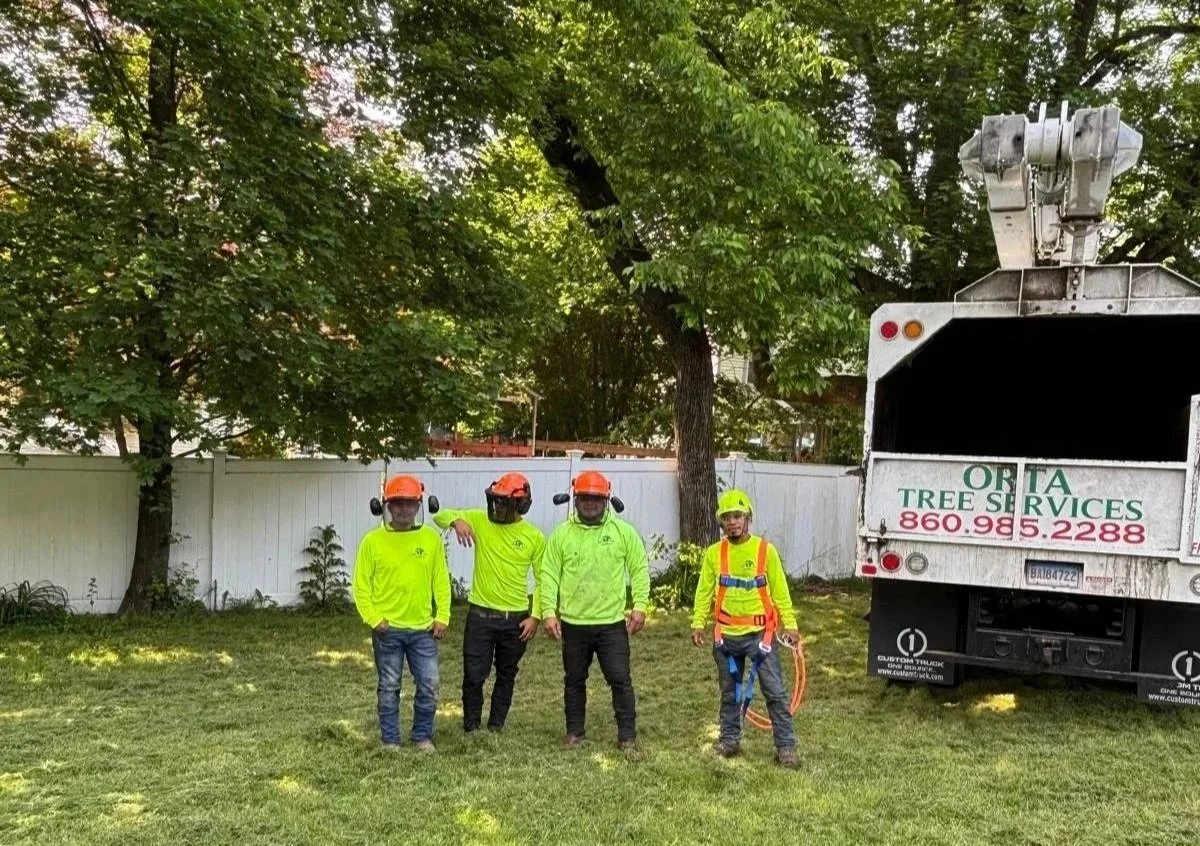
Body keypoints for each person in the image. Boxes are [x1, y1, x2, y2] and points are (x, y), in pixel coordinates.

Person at [539, 470, 650, 752]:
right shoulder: (561, 535)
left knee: (620, 680)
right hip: (573, 624)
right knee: (574, 680)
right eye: (585, 498)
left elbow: (639, 569)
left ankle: (627, 737)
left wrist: (639, 606)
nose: (590, 503)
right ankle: (574, 733)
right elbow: (548, 574)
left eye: (596, 498)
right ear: (575, 499)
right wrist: (548, 611)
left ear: (607, 500)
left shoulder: (623, 533)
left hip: (611, 624)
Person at [690, 489, 801, 769]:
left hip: (761, 636)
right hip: (726, 637)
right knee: (730, 693)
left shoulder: (765, 551)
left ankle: (786, 747)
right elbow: (704, 591)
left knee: (774, 692)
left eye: (738, 516)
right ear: (721, 522)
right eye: (727, 518)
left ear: (747, 518)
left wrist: (790, 624)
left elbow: (780, 591)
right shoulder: (714, 554)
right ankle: (729, 740)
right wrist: (698, 622)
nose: (732, 522)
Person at [433, 472, 545, 734]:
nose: (497, 507)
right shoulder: (480, 520)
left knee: (507, 673)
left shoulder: (535, 537)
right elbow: (439, 516)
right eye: (495, 501)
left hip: (516, 619)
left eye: (503, 502)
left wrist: (536, 615)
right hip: (480, 616)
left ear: (520, 504)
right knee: (474, 674)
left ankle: (496, 725)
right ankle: (471, 725)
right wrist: (457, 521)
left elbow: (543, 579)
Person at [353, 474, 451, 753]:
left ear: (419, 505)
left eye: (410, 504)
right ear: (386, 506)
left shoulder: (430, 539)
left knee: (429, 684)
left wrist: (442, 615)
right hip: (388, 630)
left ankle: (422, 737)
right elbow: (361, 586)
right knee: (389, 686)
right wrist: (374, 619)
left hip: (423, 629)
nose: (404, 510)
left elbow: (440, 580)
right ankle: (390, 740)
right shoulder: (372, 541)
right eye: (398, 504)